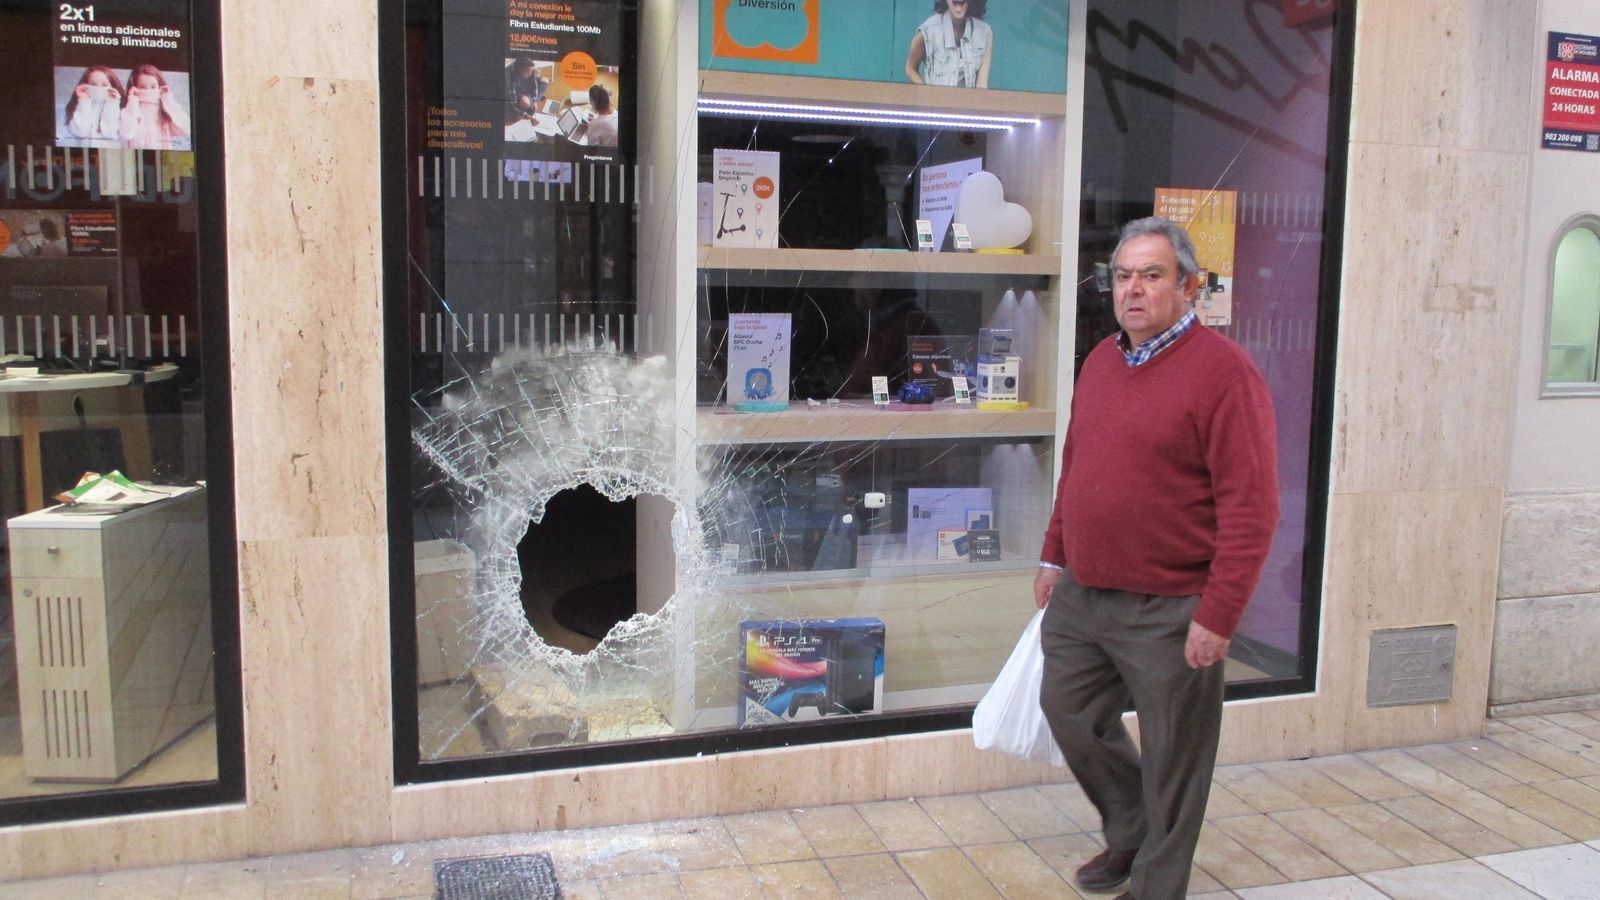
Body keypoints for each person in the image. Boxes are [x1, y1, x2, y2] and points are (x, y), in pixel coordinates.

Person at [1034, 217, 1278, 900]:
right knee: (1070, 712)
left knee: (1176, 758)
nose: (1133, 289)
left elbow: (1252, 508)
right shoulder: (1102, 361)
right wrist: (1055, 554)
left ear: (1190, 286)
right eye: (1122, 275)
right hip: (1085, 592)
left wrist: (1220, 613)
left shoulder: (1225, 373)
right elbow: (1077, 468)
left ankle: (1156, 883)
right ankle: (1131, 829)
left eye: (1152, 274)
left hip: (1172, 605)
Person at [905, 0, 993, 88]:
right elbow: (910, 68)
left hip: (968, 101)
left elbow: (981, 84)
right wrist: (927, 92)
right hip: (935, 100)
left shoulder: (985, 33)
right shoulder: (928, 30)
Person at [120, 64, 191, 150]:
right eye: (142, 87)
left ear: (159, 86)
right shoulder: (132, 108)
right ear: (134, 87)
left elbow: (186, 129)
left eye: (153, 87)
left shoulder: (165, 108)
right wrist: (132, 103)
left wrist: (168, 101)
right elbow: (127, 133)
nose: (148, 91)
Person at [62, 65, 125, 147]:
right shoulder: (79, 105)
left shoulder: (120, 107)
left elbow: (110, 133)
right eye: (93, 84)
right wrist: (84, 102)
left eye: (104, 85)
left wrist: (112, 103)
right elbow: (81, 132)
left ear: (113, 86)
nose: (99, 88)